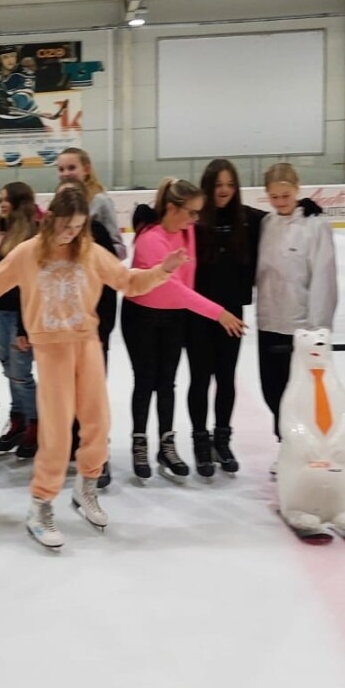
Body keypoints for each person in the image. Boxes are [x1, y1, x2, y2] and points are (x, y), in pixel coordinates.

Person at [0, 186, 186, 548]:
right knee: (57, 431)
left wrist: (163, 270)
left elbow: (128, 282)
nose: (71, 234)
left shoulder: (89, 252)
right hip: (51, 349)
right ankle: (41, 505)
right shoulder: (27, 253)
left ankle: (86, 488)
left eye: (78, 227)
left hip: (86, 344)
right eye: (66, 226)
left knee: (98, 422)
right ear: (51, 219)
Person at [124, 179, 245, 481]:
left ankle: (167, 444)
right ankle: (139, 441)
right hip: (142, 316)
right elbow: (175, 289)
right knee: (146, 381)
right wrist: (219, 313)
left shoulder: (186, 231)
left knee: (167, 383)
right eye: (190, 213)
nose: (195, 219)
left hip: (174, 317)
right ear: (171, 208)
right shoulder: (151, 240)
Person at [187, 158, 267, 477]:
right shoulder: (194, 221)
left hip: (232, 314)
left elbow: (283, 217)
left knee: (225, 378)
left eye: (229, 185)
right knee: (200, 379)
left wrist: (304, 205)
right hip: (198, 314)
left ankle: (222, 439)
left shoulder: (248, 220)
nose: (224, 191)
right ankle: (200, 441)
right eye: (218, 185)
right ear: (208, 186)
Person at [255, 164, 338, 474]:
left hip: (301, 327)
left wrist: (319, 329)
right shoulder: (266, 224)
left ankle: (305, 448)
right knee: (272, 390)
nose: (280, 201)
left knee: (301, 393)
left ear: (297, 189)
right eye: (274, 196)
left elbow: (324, 280)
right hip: (268, 322)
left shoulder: (315, 226)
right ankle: (287, 443)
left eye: (286, 195)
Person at [0, 182, 40, 457]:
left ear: (19, 202)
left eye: (6, 200)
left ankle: (35, 422)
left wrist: (24, 326)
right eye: (0, 199)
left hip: (20, 314)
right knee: (7, 367)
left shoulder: (30, 235)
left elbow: (30, 284)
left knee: (20, 373)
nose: (2, 204)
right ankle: (18, 418)